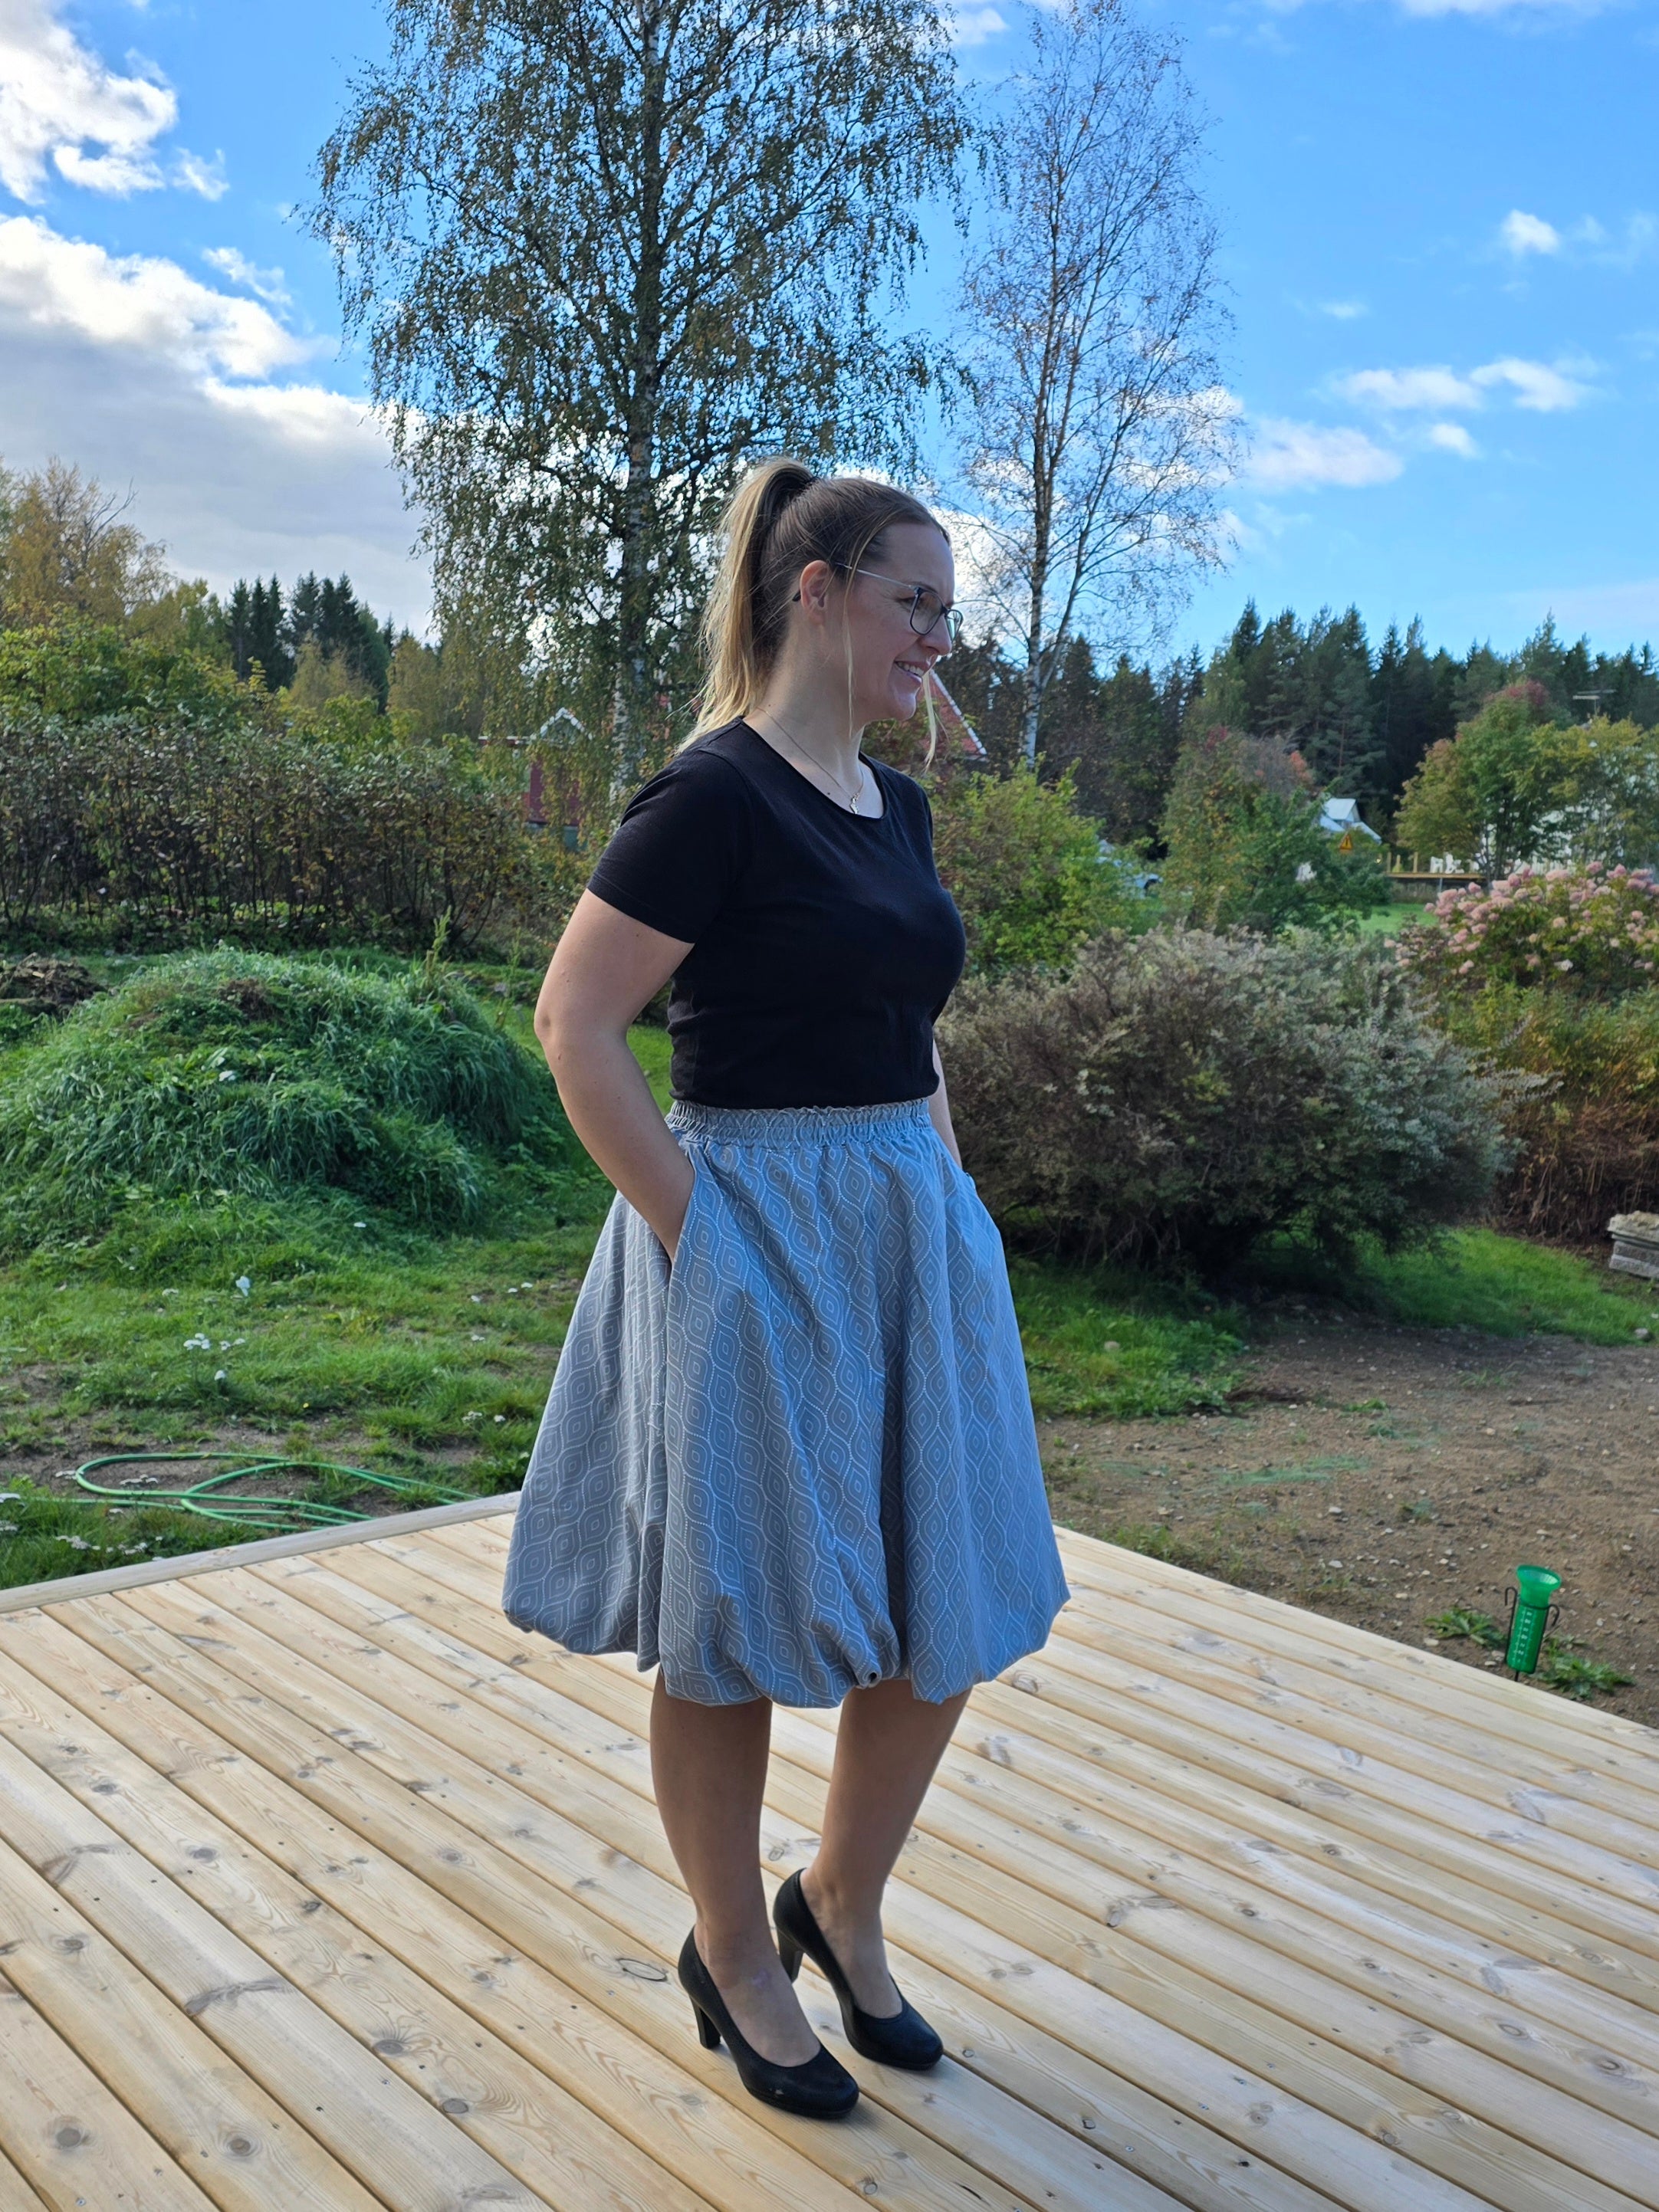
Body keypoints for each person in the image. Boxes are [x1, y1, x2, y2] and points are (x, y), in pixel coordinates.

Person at [503, 458, 1070, 2121]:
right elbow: (573, 1027)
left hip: (901, 1232)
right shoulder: (710, 799)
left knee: (942, 1593)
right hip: (748, 1232)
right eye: (914, 602)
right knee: (734, 1624)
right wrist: (701, 1235)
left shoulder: (893, 810)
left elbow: (910, 1028)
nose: (936, 641)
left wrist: (948, 1202)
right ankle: (733, 1956)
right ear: (812, 590)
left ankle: (838, 1903)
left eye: (949, 613)